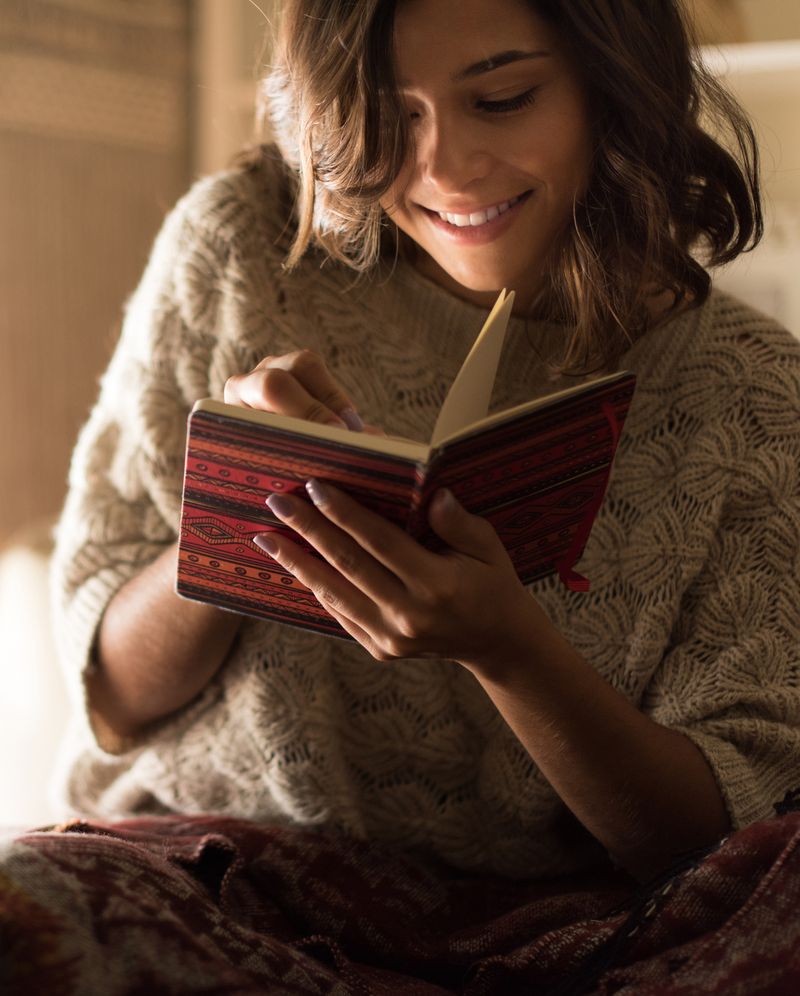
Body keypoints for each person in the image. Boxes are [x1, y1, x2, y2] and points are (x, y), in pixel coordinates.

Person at [51, 0, 800, 888]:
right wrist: (248, 503)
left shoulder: (747, 391)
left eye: (503, 99)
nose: (443, 165)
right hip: (212, 875)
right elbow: (112, 701)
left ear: (617, 88)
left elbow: (716, 845)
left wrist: (511, 651)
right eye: (388, 113)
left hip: (557, 926)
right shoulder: (243, 250)